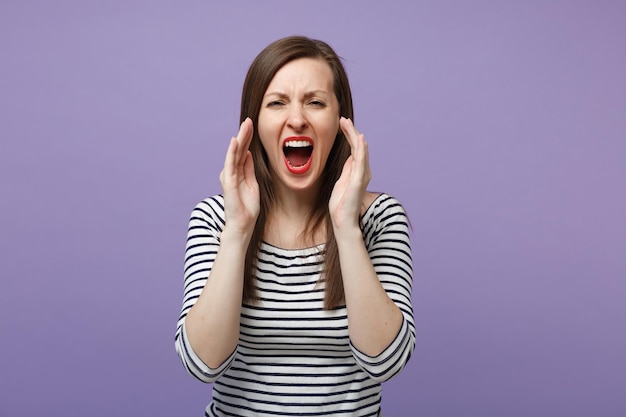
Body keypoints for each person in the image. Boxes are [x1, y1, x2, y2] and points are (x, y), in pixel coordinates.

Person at [175, 35, 415, 417]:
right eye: (277, 103)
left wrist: (346, 226)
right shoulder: (216, 218)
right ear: (252, 125)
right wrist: (238, 230)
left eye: (315, 102)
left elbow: (386, 362)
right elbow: (203, 364)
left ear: (341, 122)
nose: (298, 118)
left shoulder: (380, 218)